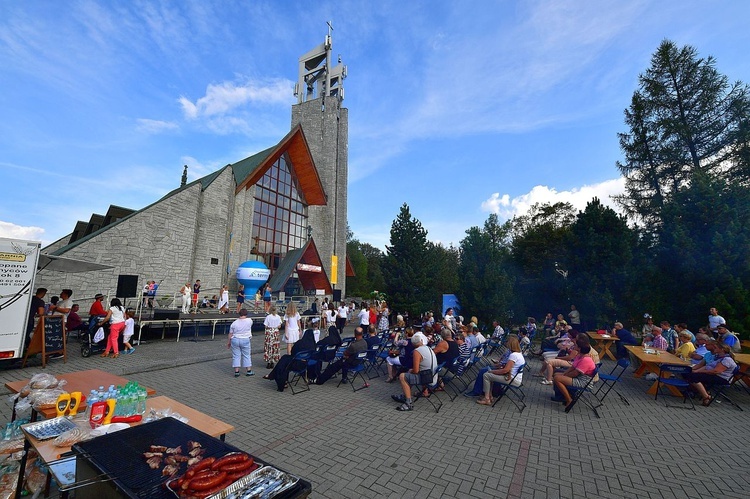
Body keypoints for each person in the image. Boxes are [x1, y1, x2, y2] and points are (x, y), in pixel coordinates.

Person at [391, 332, 438, 411]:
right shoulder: (428, 348)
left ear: (413, 344)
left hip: (427, 379)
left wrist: (410, 370)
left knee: (402, 376)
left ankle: (408, 403)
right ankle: (404, 395)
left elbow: (416, 371)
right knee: (408, 374)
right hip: (433, 376)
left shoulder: (417, 351)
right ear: (421, 341)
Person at [551, 335, 598, 412]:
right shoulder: (580, 356)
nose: (574, 346)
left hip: (583, 382)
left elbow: (575, 373)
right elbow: (572, 367)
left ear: (579, 348)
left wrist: (563, 376)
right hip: (578, 378)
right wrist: (564, 374)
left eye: (576, 345)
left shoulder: (586, 360)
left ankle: (569, 399)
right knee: (556, 374)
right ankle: (561, 397)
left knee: (557, 378)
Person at [476, 336, 525, 406]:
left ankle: (486, 399)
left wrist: (493, 372)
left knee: (486, 375)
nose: (506, 343)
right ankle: (490, 396)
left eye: (508, 342)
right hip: (514, 377)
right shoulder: (519, 354)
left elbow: (505, 370)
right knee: (490, 376)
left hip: (512, 379)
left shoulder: (513, 355)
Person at [685, 341, 737, 406]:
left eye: (716, 347)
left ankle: (706, 397)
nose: (714, 348)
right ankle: (700, 392)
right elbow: (707, 366)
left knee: (694, 377)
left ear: (722, 349)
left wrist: (698, 371)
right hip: (713, 375)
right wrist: (695, 370)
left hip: (721, 378)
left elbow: (715, 371)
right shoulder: (717, 357)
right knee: (689, 374)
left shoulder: (727, 360)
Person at [227, 308, 254, 377]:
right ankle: (248, 370)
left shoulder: (234, 323)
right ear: (246, 314)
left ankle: (237, 371)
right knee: (246, 355)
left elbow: (230, 334)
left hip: (235, 339)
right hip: (245, 339)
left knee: (236, 355)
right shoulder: (249, 321)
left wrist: (229, 342)